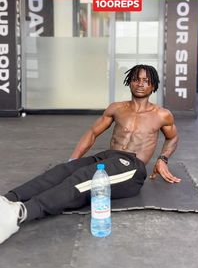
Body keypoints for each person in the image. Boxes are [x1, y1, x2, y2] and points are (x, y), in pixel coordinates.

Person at [0, 65, 180, 244]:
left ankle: (20, 213)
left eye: (146, 81)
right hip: (109, 156)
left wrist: (162, 159)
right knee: (62, 171)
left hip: (132, 167)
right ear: (130, 82)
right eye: (136, 79)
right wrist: (72, 161)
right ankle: (7, 200)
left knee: (84, 177)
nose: (140, 84)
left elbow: (172, 138)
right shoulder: (117, 108)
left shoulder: (162, 115)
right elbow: (93, 133)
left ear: (153, 86)